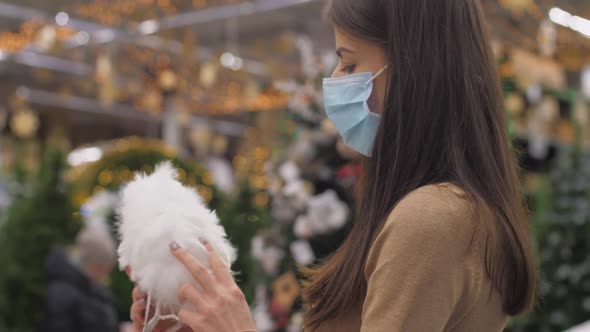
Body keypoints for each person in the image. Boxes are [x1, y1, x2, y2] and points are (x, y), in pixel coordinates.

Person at [129, 0, 537, 331]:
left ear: (414, 72)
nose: (334, 79)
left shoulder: (431, 218)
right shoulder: (450, 210)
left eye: (350, 63)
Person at [43, 227, 119, 332]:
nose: (105, 275)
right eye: (104, 269)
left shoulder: (90, 286)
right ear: (95, 265)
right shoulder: (62, 293)